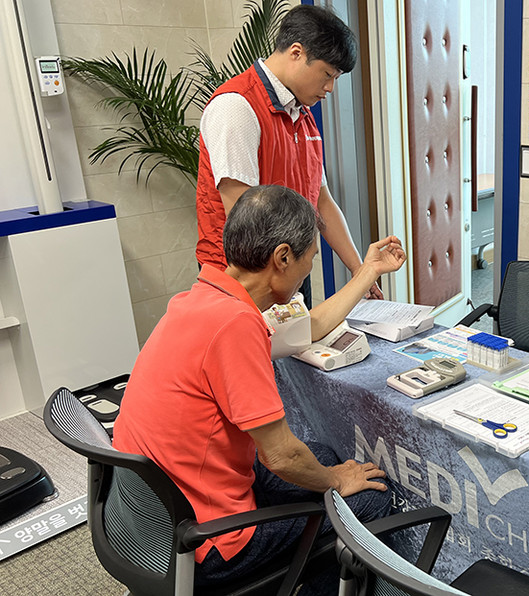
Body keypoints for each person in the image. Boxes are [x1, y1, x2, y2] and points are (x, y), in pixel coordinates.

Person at [114, 185, 407, 586]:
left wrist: (368, 271)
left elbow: (312, 327)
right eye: (309, 260)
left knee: (320, 454)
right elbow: (281, 457)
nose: (307, 271)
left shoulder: (203, 299)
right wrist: (337, 479)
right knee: (369, 496)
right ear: (282, 257)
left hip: (155, 516)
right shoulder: (235, 327)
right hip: (209, 541)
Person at [196, 4, 379, 307]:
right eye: (327, 74)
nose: (330, 88)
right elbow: (245, 219)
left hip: (289, 272)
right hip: (245, 281)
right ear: (296, 52)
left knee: (296, 352)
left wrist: (359, 270)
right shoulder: (236, 108)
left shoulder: (302, 115)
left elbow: (320, 201)